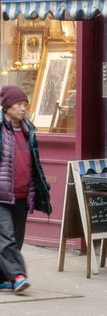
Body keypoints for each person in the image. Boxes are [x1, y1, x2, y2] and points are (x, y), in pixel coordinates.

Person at [0, 85, 51, 294]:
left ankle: (4, 279)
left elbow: (34, 162)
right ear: (7, 106)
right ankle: (19, 276)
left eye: (25, 105)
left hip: (22, 194)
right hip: (1, 195)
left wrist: (41, 187)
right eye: (18, 104)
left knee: (17, 238)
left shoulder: (28, 130)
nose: (23, 109)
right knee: (6, 237)